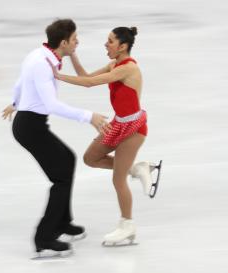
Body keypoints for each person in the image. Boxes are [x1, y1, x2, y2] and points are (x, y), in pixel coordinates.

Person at [2, 19, 108, 255]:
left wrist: (15, 103)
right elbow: (51, 104)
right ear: (63, 42)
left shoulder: (40, 55)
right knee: (60, 178)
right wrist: (89, 116)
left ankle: (63, 222)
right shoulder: (42, 64)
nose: (77, 41)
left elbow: (19, 83)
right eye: (74, 39)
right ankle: (44, 238)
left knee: (67, 159)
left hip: (31, 123)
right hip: (30, 127)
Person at [46, 26, 160, 246]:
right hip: (119, 124)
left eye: (110, 41)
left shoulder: (128, 69)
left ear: (122, 46)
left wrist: (58, 75)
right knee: (91, 158)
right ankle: (137, 169)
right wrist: (72, 54)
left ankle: (127, 225)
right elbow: (86, 77)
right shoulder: (114, 64)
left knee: (118, 179)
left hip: (134, 129)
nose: (106, 45)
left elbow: (88, 83)